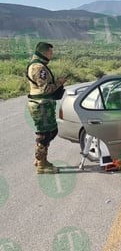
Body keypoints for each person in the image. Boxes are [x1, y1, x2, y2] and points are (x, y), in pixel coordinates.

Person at [27, 42, 67, 174]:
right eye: (50, 52)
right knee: (44, 135)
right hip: (41, 105)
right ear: (44, 53)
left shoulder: (39, 65)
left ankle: (40, 158)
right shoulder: (39, 68)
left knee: (51, 131)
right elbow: (46, 89)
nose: (52, 55)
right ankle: (41, 164)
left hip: (44, 105)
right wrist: (59, 83)